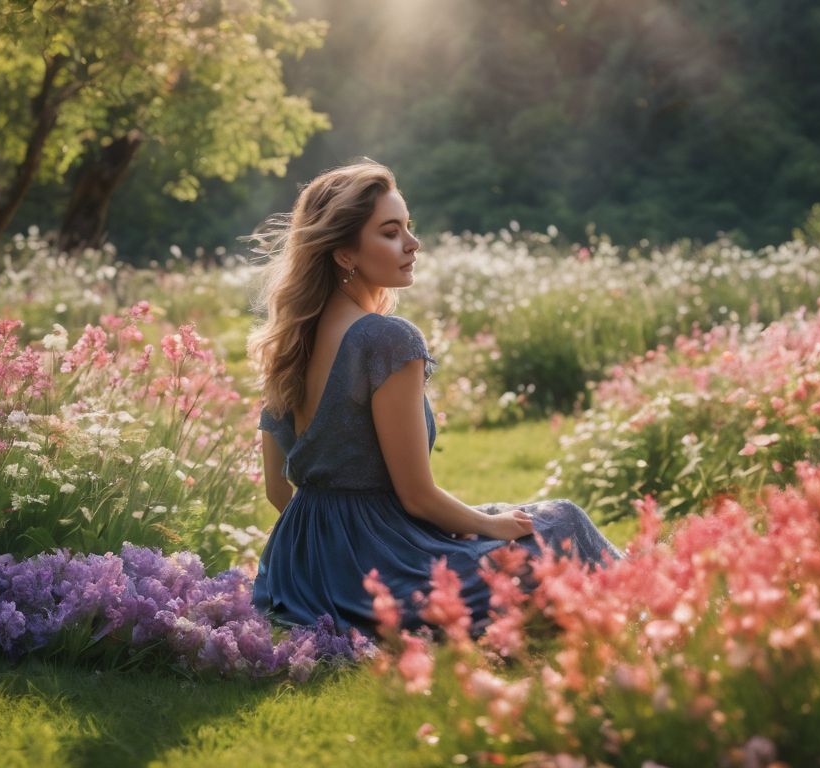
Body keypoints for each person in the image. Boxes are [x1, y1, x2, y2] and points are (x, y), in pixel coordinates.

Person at [245, 158, 621, 639]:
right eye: (390, 232)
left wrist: (329, 546)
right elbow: (417, 497)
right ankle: (653, 599)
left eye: (408, 227)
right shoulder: (386, 340)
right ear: (344, 253)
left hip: (298, 573)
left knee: (507, 517)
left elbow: (279, 493)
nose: (412, 243)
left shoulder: (289, 341)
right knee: (561, 521)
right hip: (382, 570)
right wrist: (493, 530)